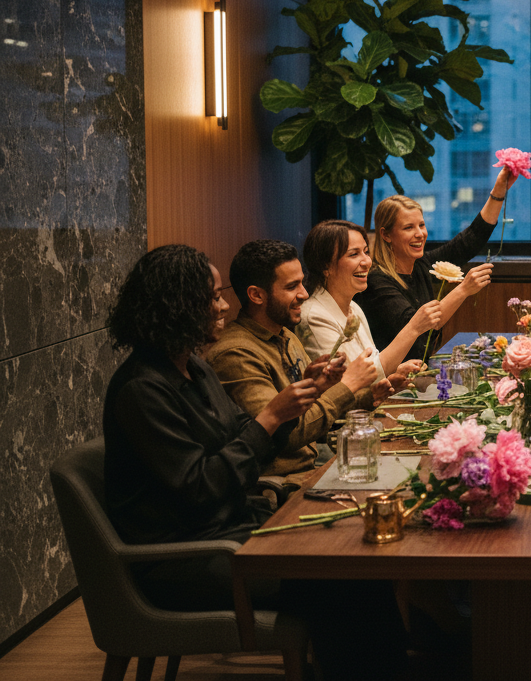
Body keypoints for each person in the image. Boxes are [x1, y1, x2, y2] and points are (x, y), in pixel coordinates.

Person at [103, 245, 412, 680]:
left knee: (359, 565)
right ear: (177, 306)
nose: (224, 306)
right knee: (346, 579)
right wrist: (270, 417)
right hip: (186, 557)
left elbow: (248, 443)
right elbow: (201, 486)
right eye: (211, 297)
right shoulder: (142, 390)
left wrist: (302, 395)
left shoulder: (193, 368)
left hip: (236, 527)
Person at [206, 239, 382, 485]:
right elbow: (285, 435)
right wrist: (348, 386)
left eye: (302, 282)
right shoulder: (235, 354)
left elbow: (309, 411)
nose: (304, 294)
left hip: (312, 464)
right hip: (281, 482)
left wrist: (370, 393)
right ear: (257, 295)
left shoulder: (286, 334)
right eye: (292, 286)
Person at [356, 166, 514, 363]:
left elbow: (469, 241)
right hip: (392, 380)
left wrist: (499, 191)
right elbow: (420, 328)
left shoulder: (421, 264)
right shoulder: (376, 280)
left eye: (421, 225)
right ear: (386, 235)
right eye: (408, 227)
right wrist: (464, 289)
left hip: (422, 368)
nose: (420, 233)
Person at [298, 219, 429, 389]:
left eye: (366, 252)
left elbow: (372, 365)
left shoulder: (354, 307)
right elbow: (346, 387)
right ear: (326, 266)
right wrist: (414, 328)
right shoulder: (313, 316)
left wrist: (394, 372)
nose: (367, 261)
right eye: (354, 254)